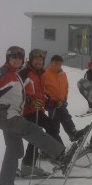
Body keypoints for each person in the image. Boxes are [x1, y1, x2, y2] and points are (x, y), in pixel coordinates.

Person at [0, 46, 74, 185]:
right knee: (33, 129)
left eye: (19, 58)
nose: (17, 60)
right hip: (6, 115)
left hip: (12, 114)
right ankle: (60, 155)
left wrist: (29, 100)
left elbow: (16, 95)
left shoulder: (15, 74)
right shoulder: (1, 73)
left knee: (15, 150)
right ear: (8, 58)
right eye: (13, 57)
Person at [18, 49, 61, 177]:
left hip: (37, 110)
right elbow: (19, 92)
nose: (39, 62)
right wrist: (30, 100)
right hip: (27, 111)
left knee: (44, 131)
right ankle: (53, 154)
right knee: (39, 133)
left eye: (41, 60)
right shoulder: (25, 73)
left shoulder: (39, 73)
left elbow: (41, 93)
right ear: (31, 60)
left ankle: (32, 162)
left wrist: (49, 100)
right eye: (36, 59)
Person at [42, 55, 88, 145]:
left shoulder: (63, 74)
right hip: (51, 103)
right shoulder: (45, 74)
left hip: (61, 102)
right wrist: (50, 99)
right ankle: (53, 144)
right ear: (51, 63)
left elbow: (66, 87)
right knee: (55, 123)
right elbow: (42, 89)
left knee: (63, 119)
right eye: (56, 63)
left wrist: (64, 99)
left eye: (60, 63)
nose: (58, 65)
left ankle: (72, 134)